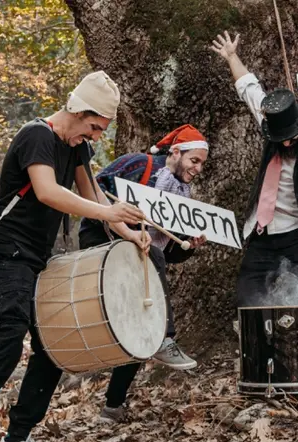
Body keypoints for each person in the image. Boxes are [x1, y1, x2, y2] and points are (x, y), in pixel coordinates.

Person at [0, 71, 147, 442]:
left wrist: (130, 233)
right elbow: (47, 191)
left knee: (57, 343)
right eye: (93, 127)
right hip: (3, 248)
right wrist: (109, 215)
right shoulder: (36, 135)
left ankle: (17, 438)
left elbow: (97, 201)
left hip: (39, 255)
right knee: (11, 328)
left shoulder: (77, 147)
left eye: (101, 130)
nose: (94, 137)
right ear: (76, 109)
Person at [210, 31, 298, 308]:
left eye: (292, 136)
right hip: (262, 234)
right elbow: (249, 88)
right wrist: (231, 56)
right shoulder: (272, 122)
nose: (287, 142)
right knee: (246, 297)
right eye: (280, 138)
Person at [78, 124, 208, 422]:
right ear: (176, 152)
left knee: (140, 327)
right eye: (194, 161)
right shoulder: (139, 164)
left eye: (202, 163)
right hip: (102, 238)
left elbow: (172, 254)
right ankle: (165, 337)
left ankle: (113, 406)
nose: (198, 169)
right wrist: (124, 225)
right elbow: (94, 192)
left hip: (145, 254)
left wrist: (191, 244)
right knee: (155, 257)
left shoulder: (182, 196)